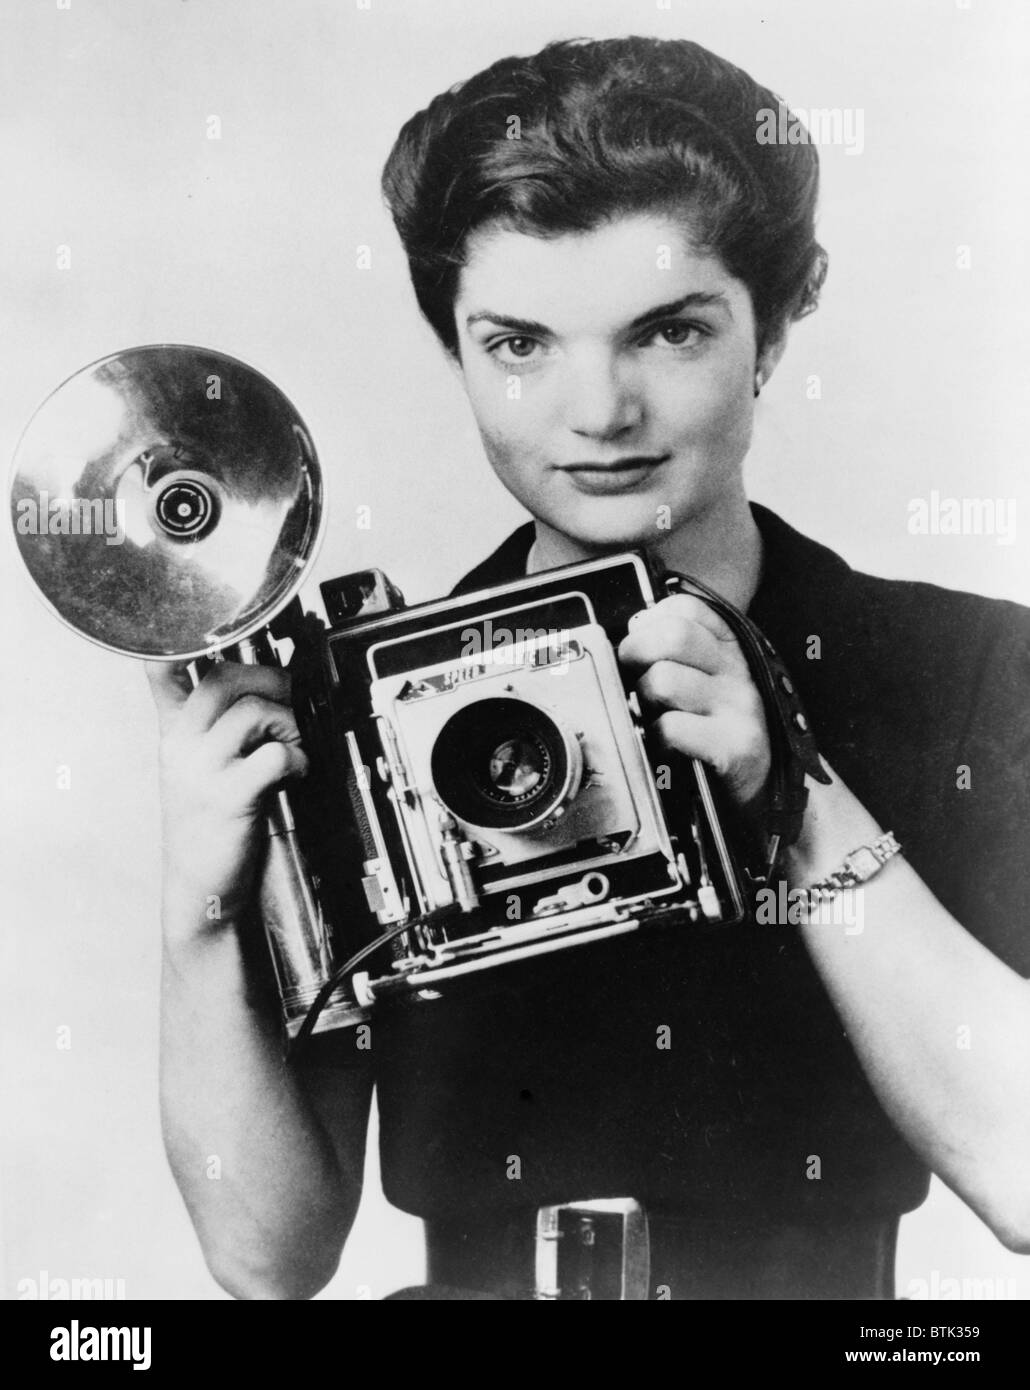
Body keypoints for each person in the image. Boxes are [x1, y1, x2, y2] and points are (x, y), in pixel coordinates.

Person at [146, 36, 1030, 1300]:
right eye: (519, 343)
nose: (597, 409)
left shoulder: (968, 669)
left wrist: (794, 797)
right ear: (450, 342)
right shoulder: (356, 716)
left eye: (669, 331)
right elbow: (264, 1257)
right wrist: (200, 914)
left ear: (780, 320)